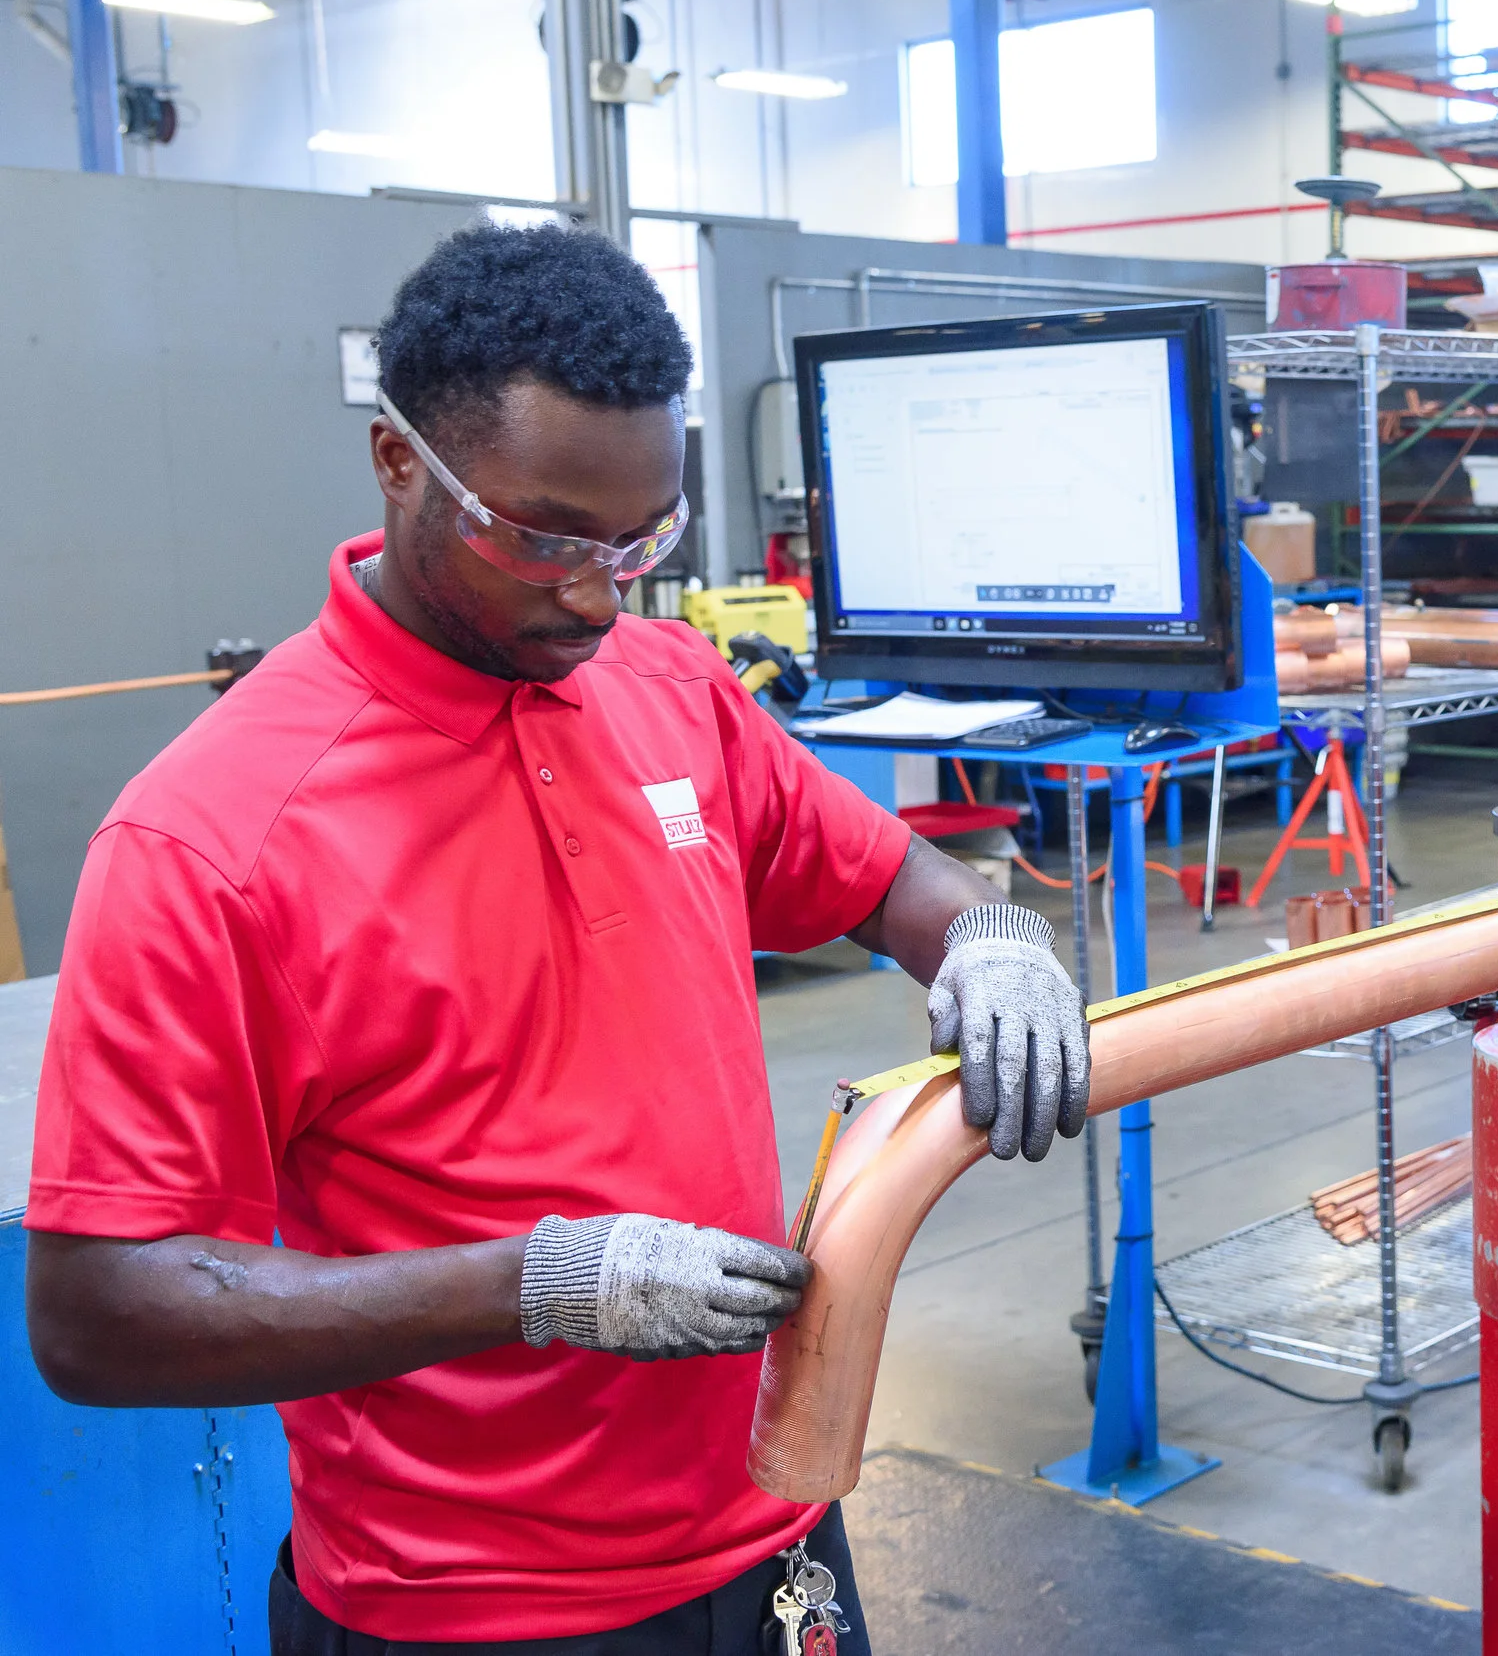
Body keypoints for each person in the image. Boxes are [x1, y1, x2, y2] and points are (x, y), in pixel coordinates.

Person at [22, 223, 1090, 1654]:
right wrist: (529, 1285)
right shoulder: (212, 839)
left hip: (778, 1530)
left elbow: (886, 877)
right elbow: (103, 1314)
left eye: (640, 541)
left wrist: (988, 942)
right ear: (399, 461)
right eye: (539, 538)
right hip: (473, 1605)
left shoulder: (666, 687)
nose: (595, 594)